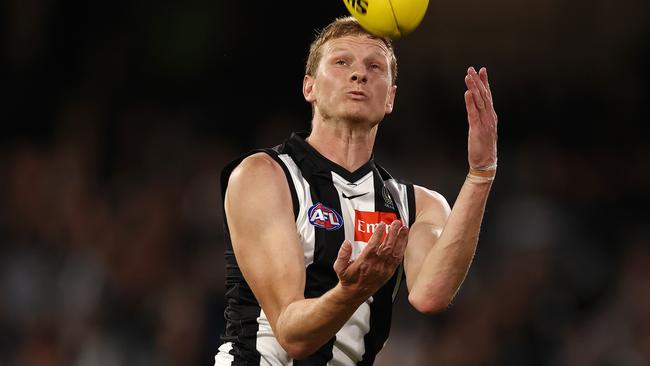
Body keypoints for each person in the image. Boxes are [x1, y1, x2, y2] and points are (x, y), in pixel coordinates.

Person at [214, 15, 498, 366]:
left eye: (375, 66)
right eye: (341, 61)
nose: (359, 74)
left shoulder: (416, 205)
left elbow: (430, 295)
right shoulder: (265, 176)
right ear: (310, 87)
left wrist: (481, 173)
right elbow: (291, 333)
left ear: (391, 98)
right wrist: (353, 291)